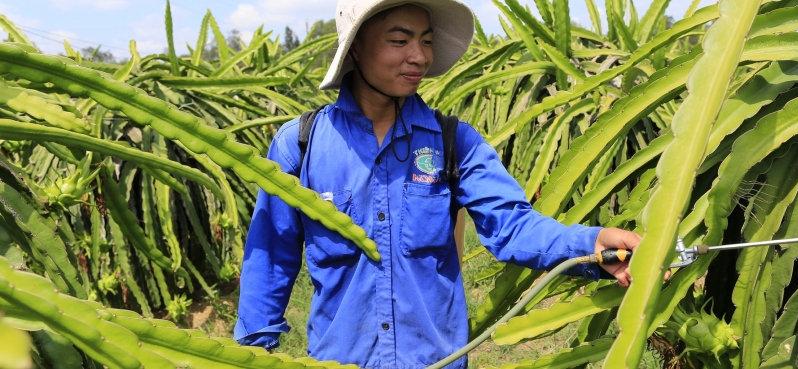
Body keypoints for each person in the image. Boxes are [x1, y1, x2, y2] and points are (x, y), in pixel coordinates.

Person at [234, 0, 645, 367]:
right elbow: (271, 257)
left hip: (436, 359)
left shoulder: (454, 142)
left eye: (426, 42)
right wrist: (253, 351)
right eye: (400, 40)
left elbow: (512, 225)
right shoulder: (301, 145)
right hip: (340, 360)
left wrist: (591, 245)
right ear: (356, 46)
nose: (419, 57)